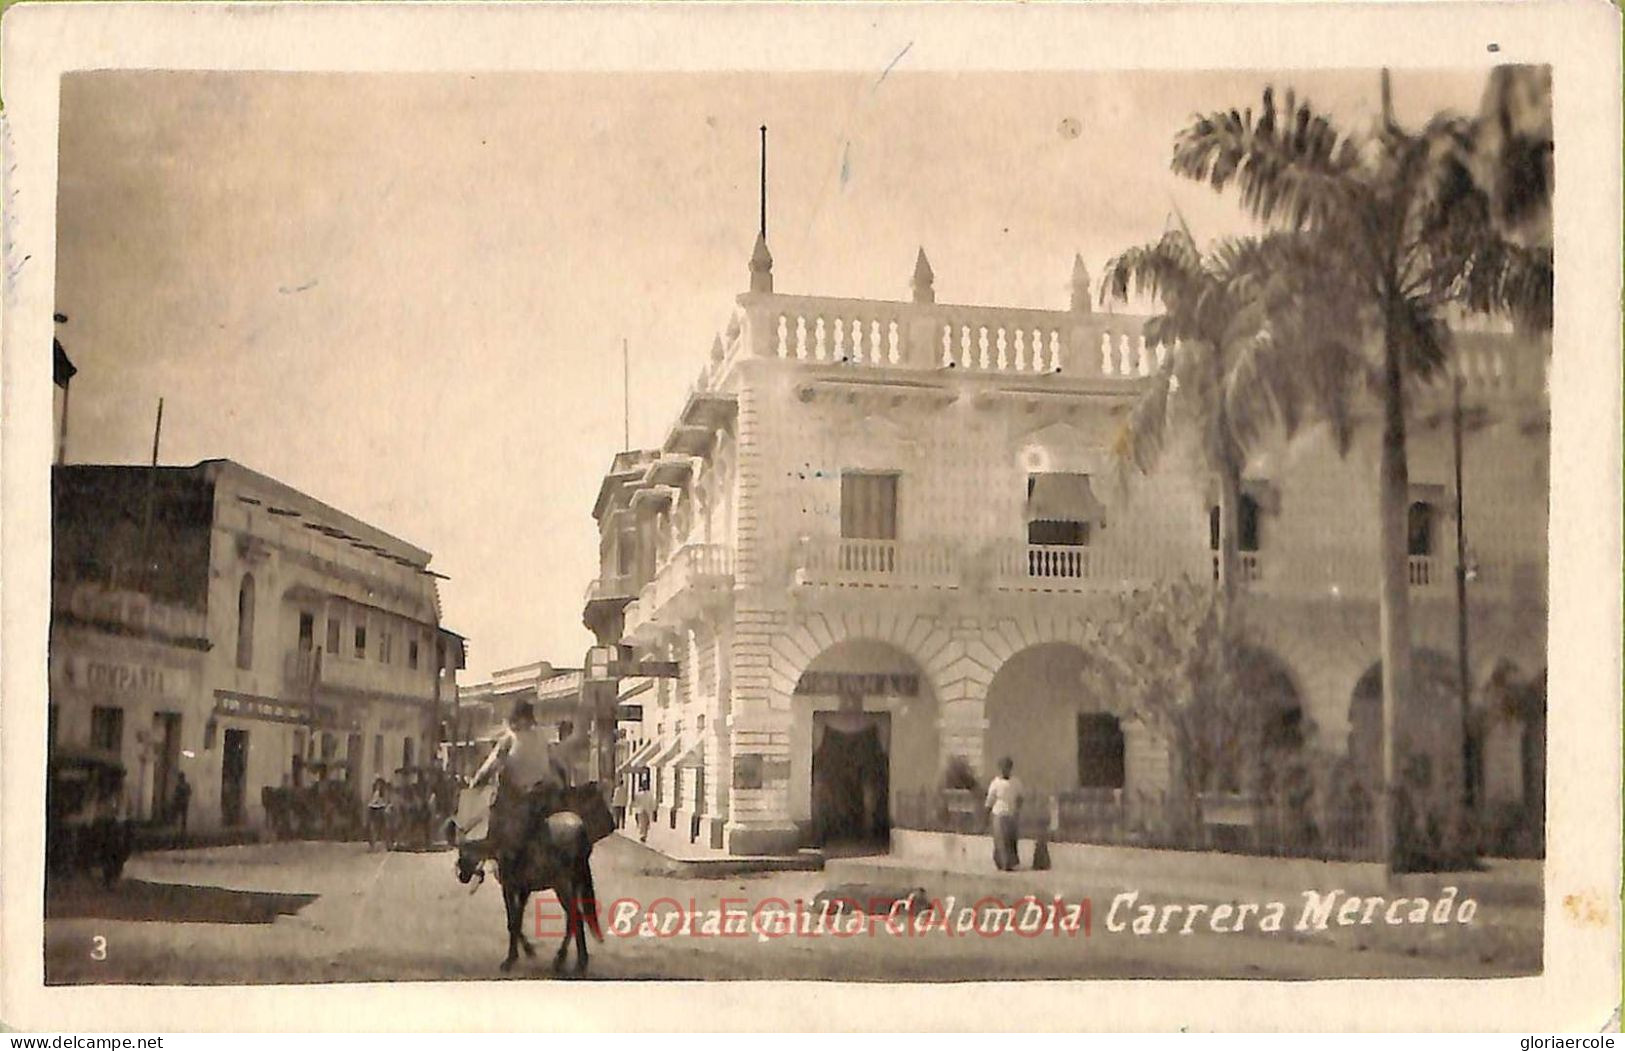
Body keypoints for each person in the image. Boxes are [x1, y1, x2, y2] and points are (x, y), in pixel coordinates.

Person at [470, 700, 584, 861]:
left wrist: (475, 784)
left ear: (514, 719)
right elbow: (560, 765)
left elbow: (488, 769)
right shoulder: (543, 738)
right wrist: (565, 787)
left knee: (493, 825)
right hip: (546, 797)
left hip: (518, 800)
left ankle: (488, 860)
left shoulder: (508, 740)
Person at [985, 756, 1024, 871]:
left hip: (1011, 814)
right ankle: (1002, 863)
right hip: (999, 814)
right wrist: (986, 813)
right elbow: (990, 800)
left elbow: (1020, 798)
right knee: (1000, 840)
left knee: (1010, 840)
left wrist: (1017, 810)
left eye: (1007, 767)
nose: (1004, 770)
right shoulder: (995, 783)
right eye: (1002, 768)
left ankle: (1010, 863)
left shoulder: (1016, 782)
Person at [632, 775, 656, 843]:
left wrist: (653, 809)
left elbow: (652, 802)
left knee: (646, 824)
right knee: (643, 823)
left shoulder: (649, 794)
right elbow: (636, 802)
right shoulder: (639, 794)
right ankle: (642, 835)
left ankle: (644, 835)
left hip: (646, 810)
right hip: (641, 810)